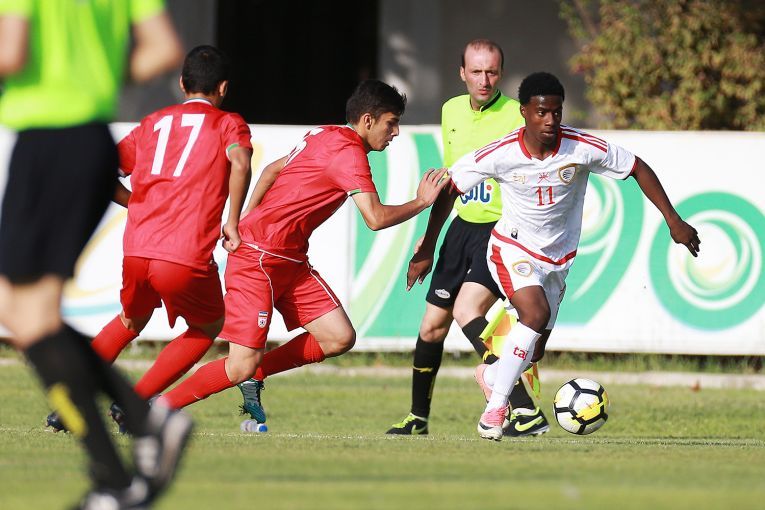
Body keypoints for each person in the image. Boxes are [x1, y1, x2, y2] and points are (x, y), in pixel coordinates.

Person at [407, 72, 701, 441]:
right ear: (524, 112)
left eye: (557, 112)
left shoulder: (580, 147)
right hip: (510, 247)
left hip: (557, 261)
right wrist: (428, 248)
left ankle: (493, 374)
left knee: (533, 350)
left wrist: (673, 220)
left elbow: (636, 167)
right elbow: (451, 188)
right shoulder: (502, 153)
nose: (550, 120)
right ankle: (495, 411)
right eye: (542, 112)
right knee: (535, 315)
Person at [157, 80, 448, 417]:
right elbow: (375, 218)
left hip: (289, 260)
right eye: (391, 123)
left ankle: (256, 372)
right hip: (258, 261)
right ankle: (155, 408)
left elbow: (270, 170)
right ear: (368, 120)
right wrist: (422, 201)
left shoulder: (324, 133)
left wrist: (248, 217)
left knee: (338, 337)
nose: (395, 132)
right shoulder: (349, 153)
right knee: (238, 366)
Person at [0, 1, 191, 508]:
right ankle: (127, 456)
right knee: (23, 314)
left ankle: (123, 459)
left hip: (47, 142)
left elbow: (10, 53)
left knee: (28, 316)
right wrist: (92, 79)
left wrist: (59, 84)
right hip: (89, 142)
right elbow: (163, 49)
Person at [45, 45, 253, 433]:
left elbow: (100, 171)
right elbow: (240, 161)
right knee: (207, 327)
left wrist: (136, 204)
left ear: (182, 84)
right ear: (223, 88)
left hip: (137, 249)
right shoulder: (228, 123)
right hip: (185, 253)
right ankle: (132, 403)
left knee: (131, 318)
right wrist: (233, 222)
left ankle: (71, 400)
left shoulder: (153, 122)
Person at [386, 39, 548, 437]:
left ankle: (524, 409)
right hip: (462, 227)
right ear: (462, 73)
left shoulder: (517, 115)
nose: (484, 80)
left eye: (491, 72)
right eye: (476, 71)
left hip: (502, 232)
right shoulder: (451, 110)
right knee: (431, 327)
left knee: (466, 309)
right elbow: (451, 182)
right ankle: (418, 419)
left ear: (501, 73)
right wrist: (428, 244)